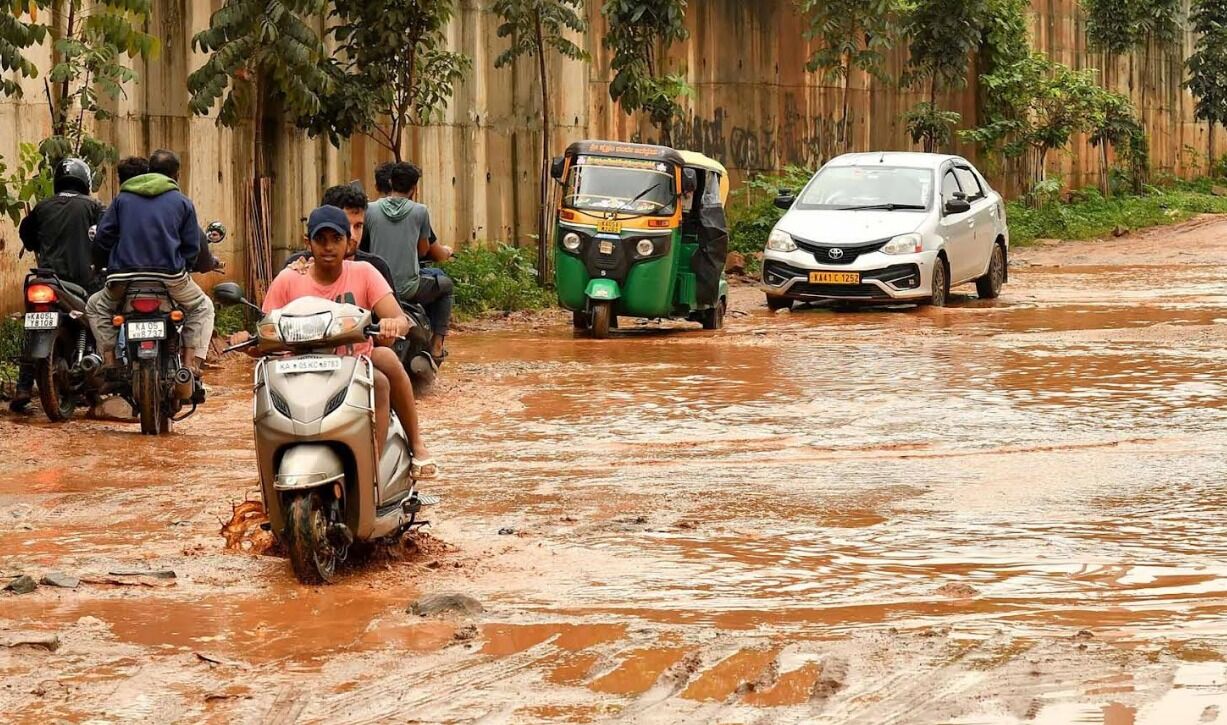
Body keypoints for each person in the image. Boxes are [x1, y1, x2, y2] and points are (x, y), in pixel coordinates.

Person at [261, 205, 435, 475]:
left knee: (384, 366)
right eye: (320, 240)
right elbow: (264, 330)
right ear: (308, 243)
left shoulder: (365, 272)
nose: (328, 247)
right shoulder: (289, 278)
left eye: (336, 239)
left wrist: (391, 323)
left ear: (348, 242)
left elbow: (400, 319)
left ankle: (401, 453)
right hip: (298, 371)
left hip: (355, 366)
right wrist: (248, 339)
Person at [86, 149, 214, 375]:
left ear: (150, 170)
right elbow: (192, 246)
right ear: (176, 175)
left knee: (96, 306)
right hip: (170, 277)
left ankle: (109, 359)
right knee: (202, 307)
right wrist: (185, 263)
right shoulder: (182, 202)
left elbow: (103, 239)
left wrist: (101, 265)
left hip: (124, 278)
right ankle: (190, 363)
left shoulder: (121, 200)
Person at [10, 158, 104, 412]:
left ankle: (22, 387)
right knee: (100, 322)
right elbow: (107, 238)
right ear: (85, 180)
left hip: (46, 279)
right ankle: (94, 386)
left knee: (33, 327)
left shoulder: (42, 207)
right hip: (84, 282)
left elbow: (27, 236)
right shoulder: (94, 208)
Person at [364, 162, 454, 362]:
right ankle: (437, 346)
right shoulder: (420, 211)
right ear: (414, 188)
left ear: (390, 182)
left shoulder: (369, 210)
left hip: (377, 291)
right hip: (409, 289)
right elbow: (423, 250)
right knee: (445, 286)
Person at [285, 184, 395, 289]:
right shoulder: (297, 267)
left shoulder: (376, 268)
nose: (351, 235)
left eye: (358, 226)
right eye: (345, 226)